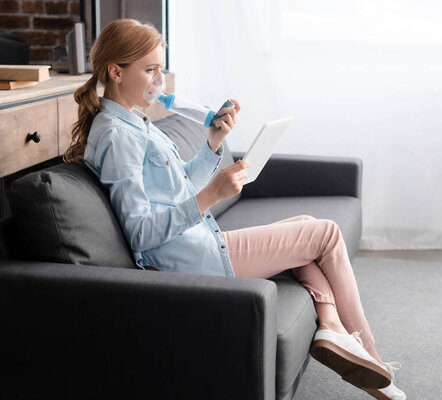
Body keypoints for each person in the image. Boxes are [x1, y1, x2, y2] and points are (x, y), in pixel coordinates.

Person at [63, 18, 406, 400]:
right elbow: (141, 233)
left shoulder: (137, 122)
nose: (159, 83)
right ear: (115, 70)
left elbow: (176, 192)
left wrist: (212, 145)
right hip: (189, 262)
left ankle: (331, 326)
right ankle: (374, 360)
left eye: (161, 69)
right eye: (149, 71)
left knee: (307, 228)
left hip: (199, 243)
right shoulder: (115, 135)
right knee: (323, 234)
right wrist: (212, 195)